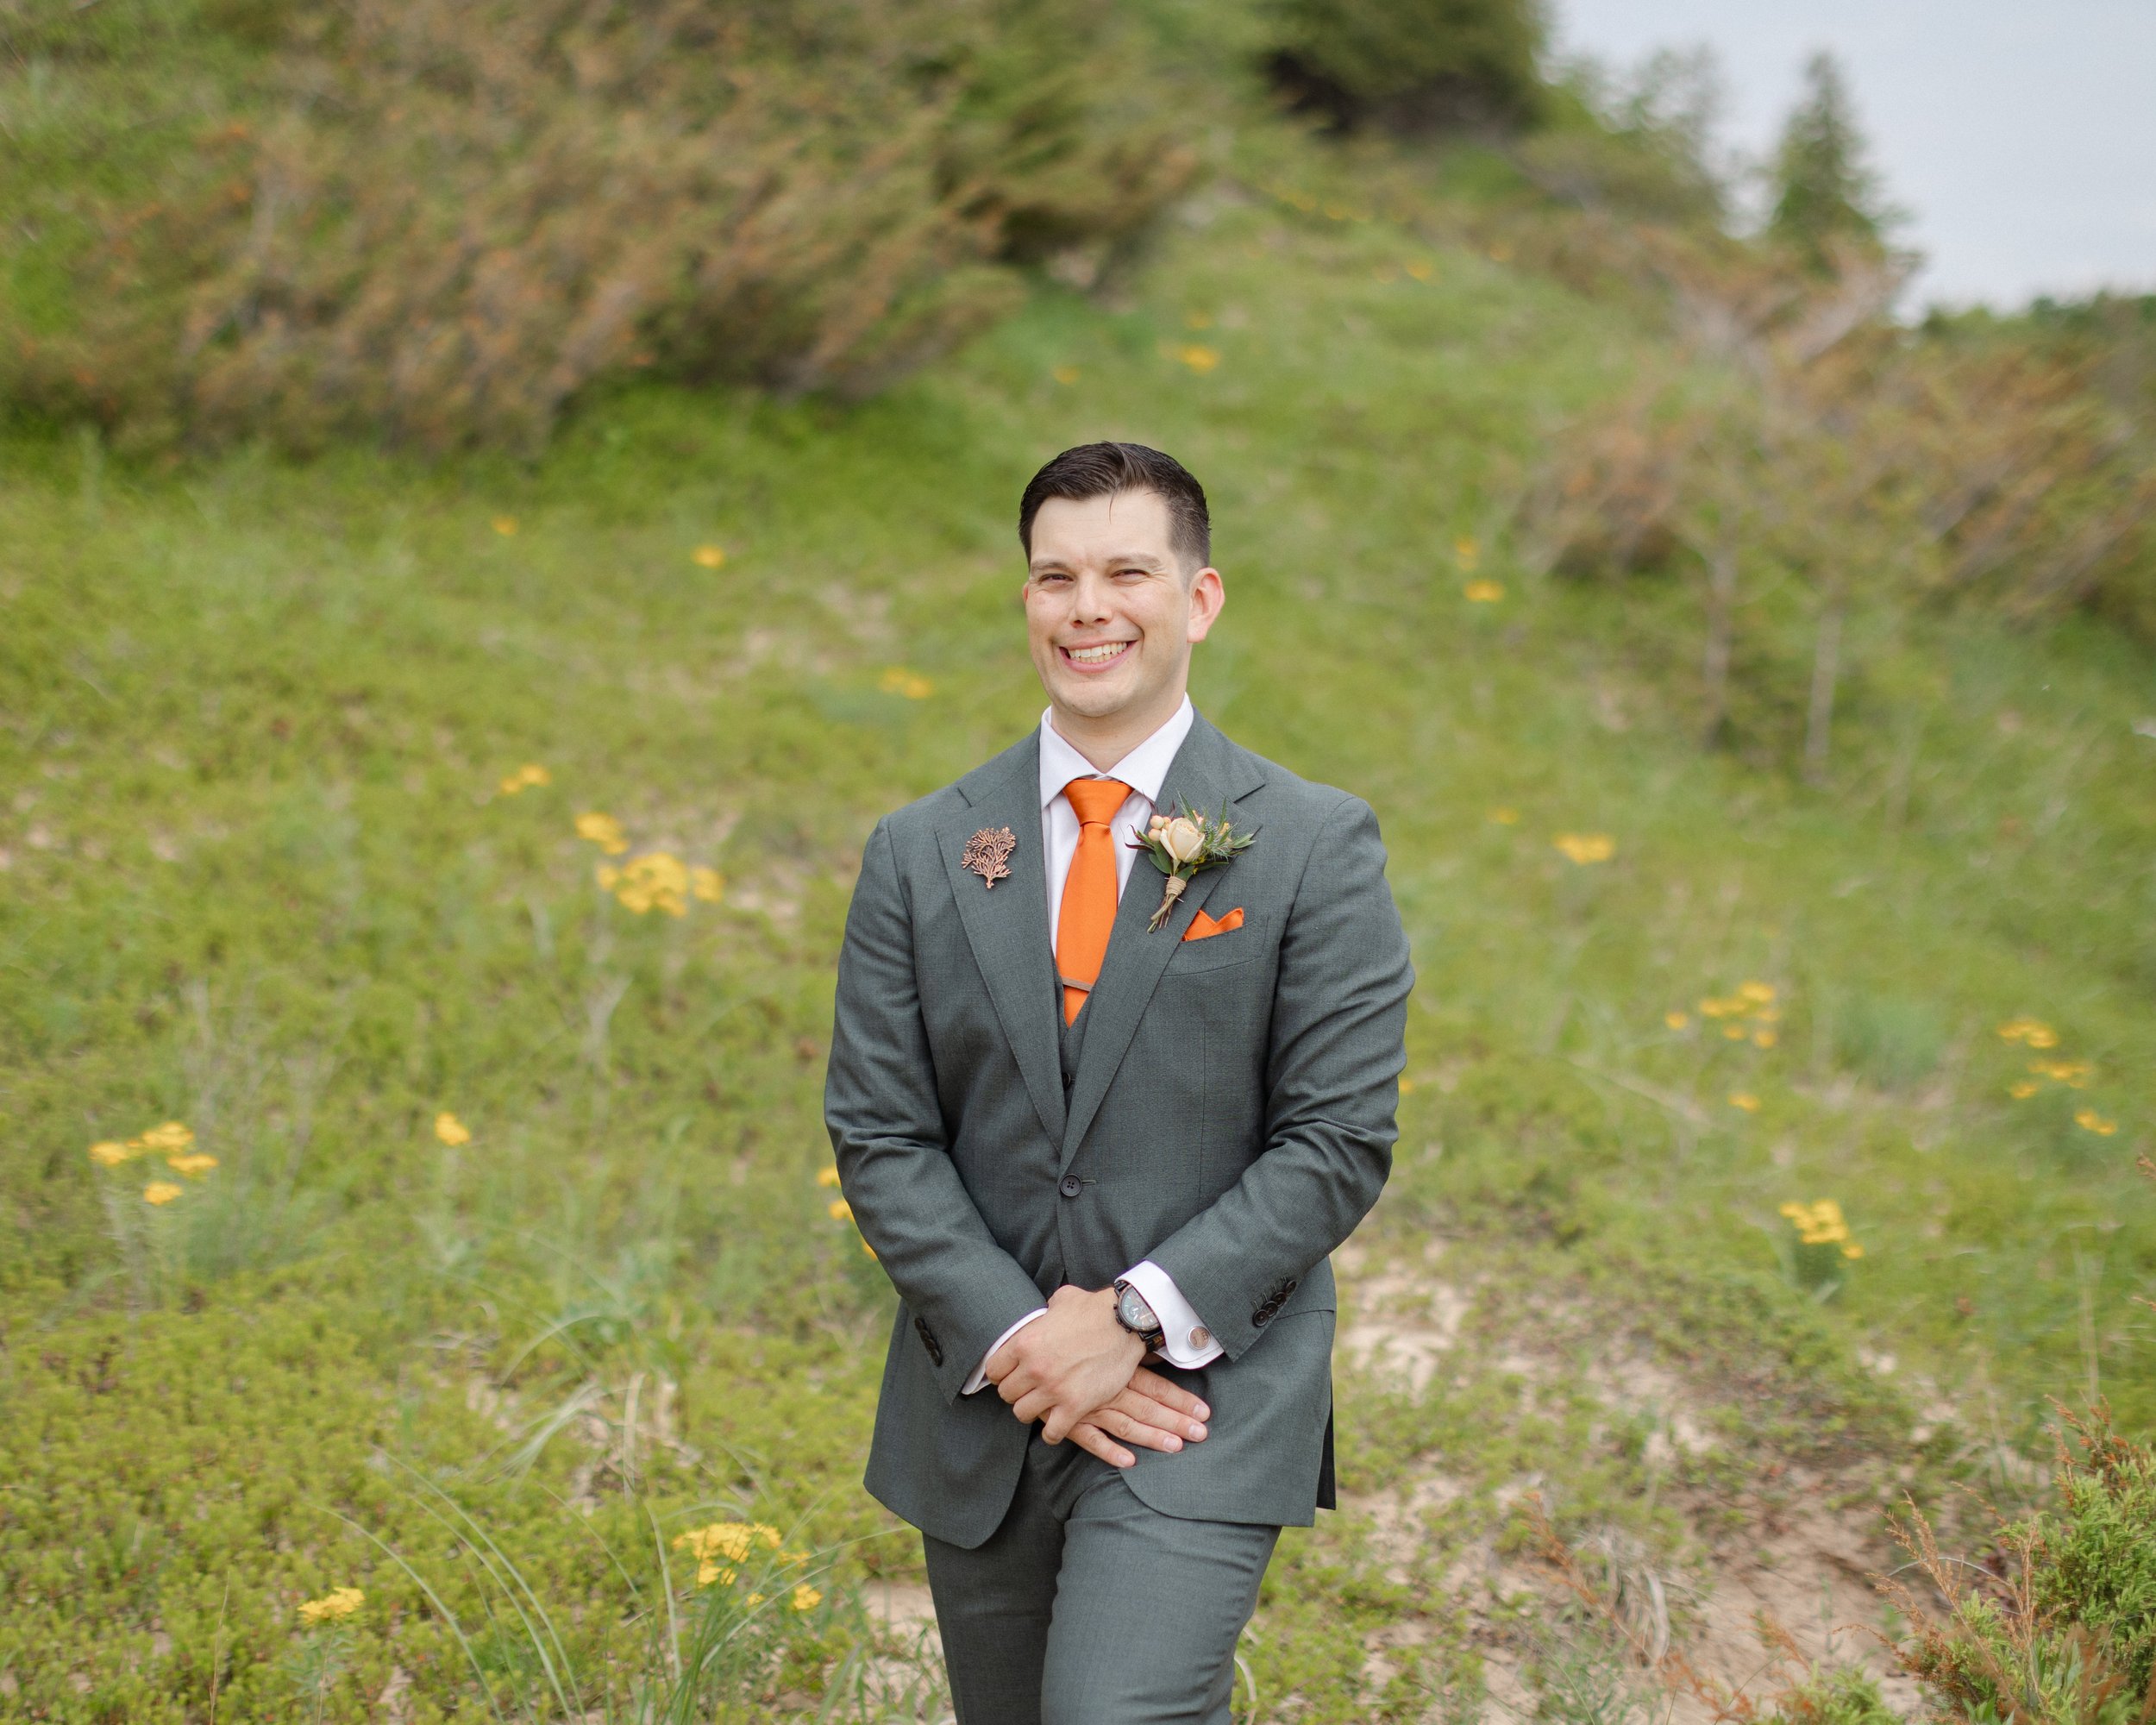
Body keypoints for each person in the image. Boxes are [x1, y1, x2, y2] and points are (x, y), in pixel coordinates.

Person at [824, 441, 1413, 1723]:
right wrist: (1026, 1334)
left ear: (1198, 599)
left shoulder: (1314, 843)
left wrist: (1130, 1320)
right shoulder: (923, 850)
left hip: (1199, 1402)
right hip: (989, 1397)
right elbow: (880, 1132)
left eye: (1126, 571)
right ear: (1027, 601)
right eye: (1055, 576)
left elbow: (1336, 1141)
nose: (1089, 606)